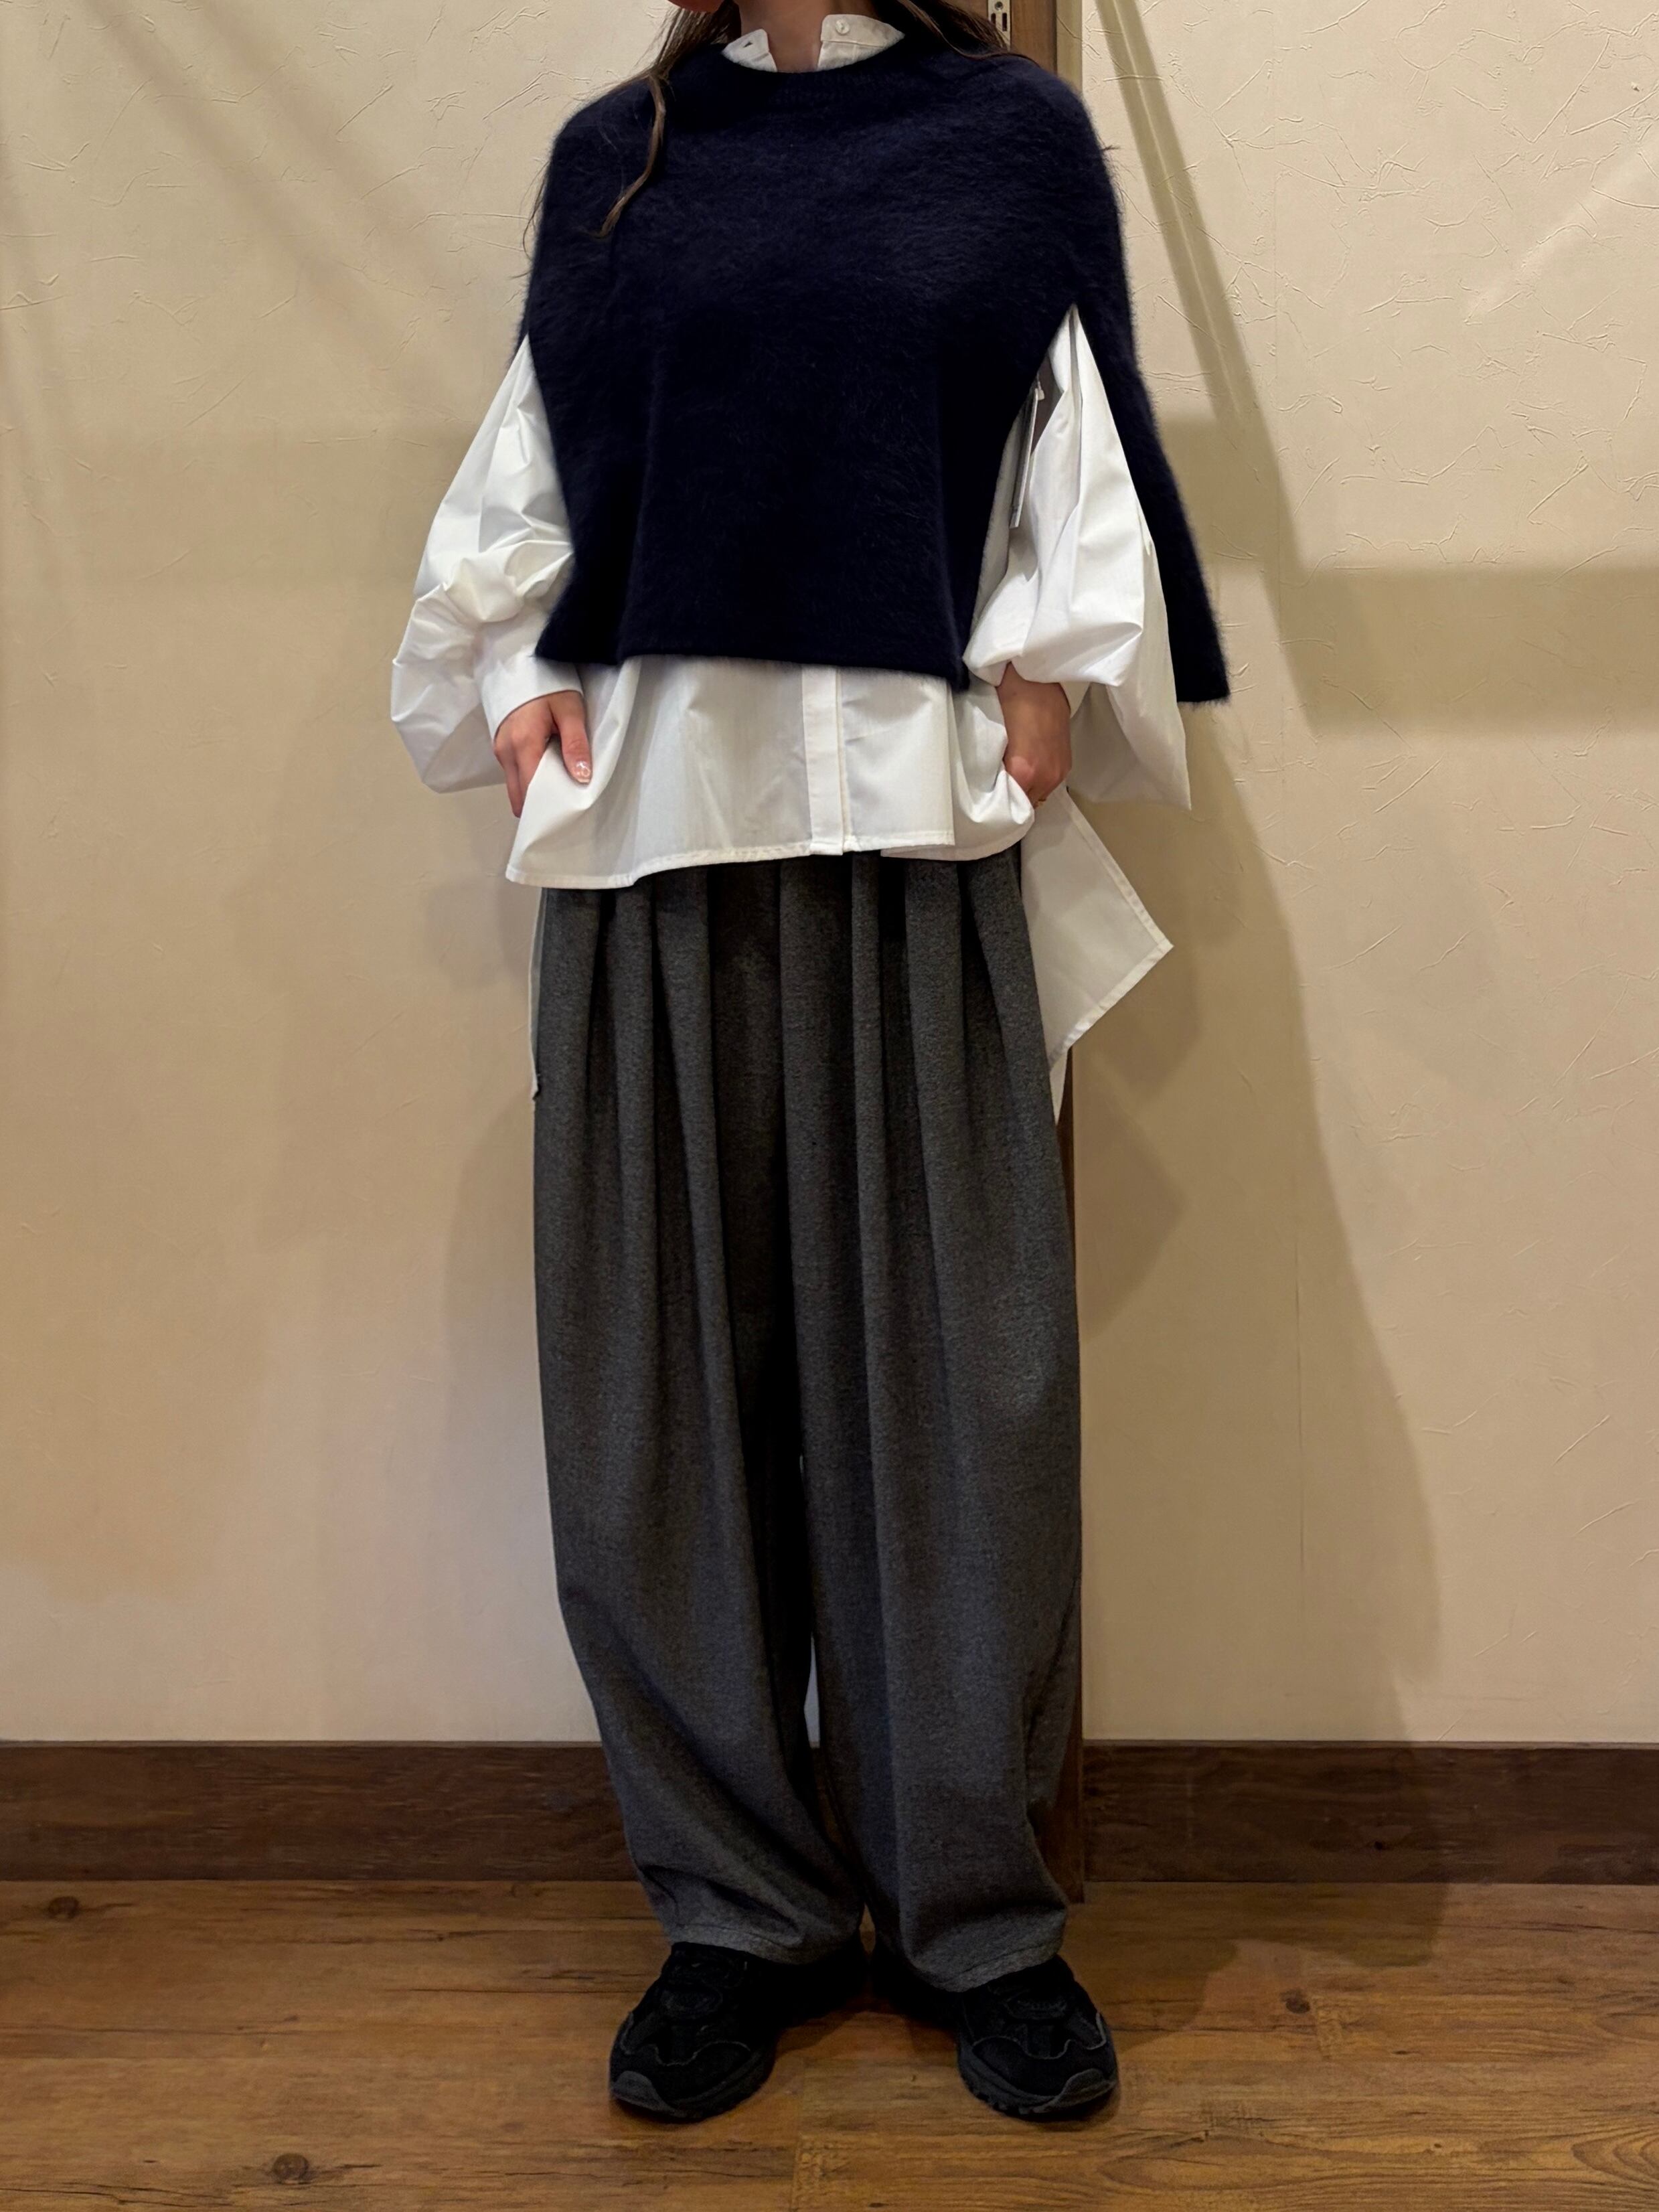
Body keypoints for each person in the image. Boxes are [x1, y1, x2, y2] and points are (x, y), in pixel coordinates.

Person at [392, 0, 1226, 2127]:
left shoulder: (1004, 142)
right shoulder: (624, 157)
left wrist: (1051, 662)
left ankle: (978, 1917)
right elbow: (541, 442)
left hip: (912, 822)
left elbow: (1065, 425)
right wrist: (505, 664)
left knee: (959, 1387)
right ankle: (737, 1913)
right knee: (664, 1395)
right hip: (655, 834)